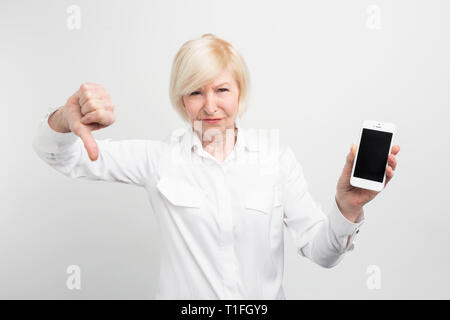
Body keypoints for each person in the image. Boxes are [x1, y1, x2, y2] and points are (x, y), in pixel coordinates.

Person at [32, 33, 400, 299]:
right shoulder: (158, 159)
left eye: (222, 90)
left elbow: (322, 254)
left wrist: (347, 209)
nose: (210, 106)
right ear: (182, 98)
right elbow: (60, 157)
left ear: (240, 93)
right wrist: (65, 118)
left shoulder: (276, 160)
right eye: (195, 92)